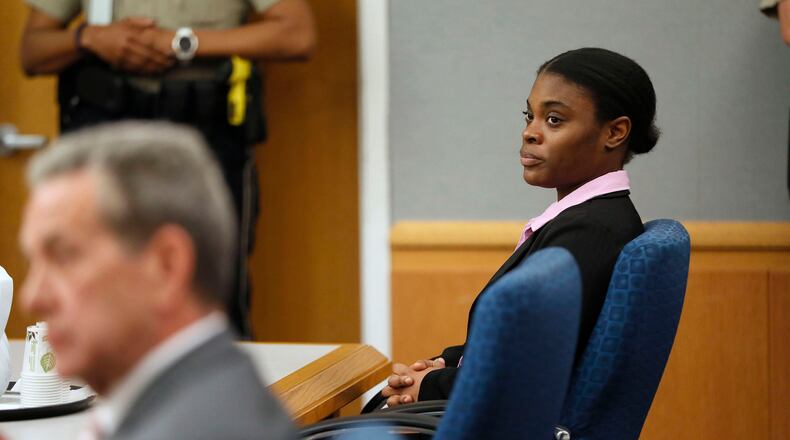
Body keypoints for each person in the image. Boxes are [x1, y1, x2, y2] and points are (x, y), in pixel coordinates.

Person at [378, 47, 659, 407]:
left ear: (615, 132)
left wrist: (430, 386)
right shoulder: (589, 219)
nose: (530, 133)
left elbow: (525, 373)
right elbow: (518, 341)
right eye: (530, 116)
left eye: (554, 120)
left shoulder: (589, 233)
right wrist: (447, 363)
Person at [19, 0, 317, 338]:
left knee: (207, 295)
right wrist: (89, 38)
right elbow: (32, 50)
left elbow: (296, 33)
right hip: (106, 138)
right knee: (91, 288)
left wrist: (181, 42)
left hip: (201, 138)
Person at [19, 121, 297, 440]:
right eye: (33, 262)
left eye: (65, 256)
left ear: (166, 267)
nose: (32, 297)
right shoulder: (204, 399)